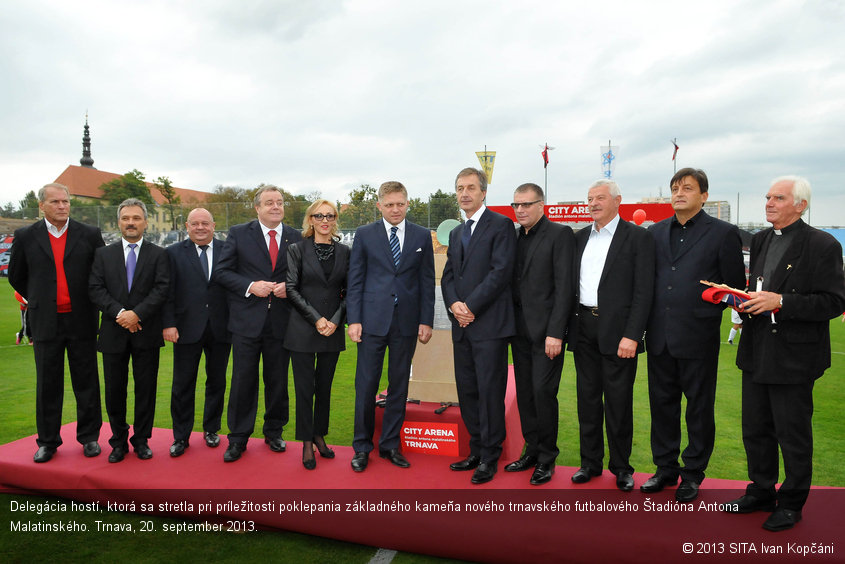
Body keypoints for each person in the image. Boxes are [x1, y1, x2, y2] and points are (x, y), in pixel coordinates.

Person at [725, 176, 845, 531]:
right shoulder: (761, 239)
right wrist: (743, 300)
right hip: (757, 350)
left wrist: (783, 302)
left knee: (791, 433)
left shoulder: (822, 245)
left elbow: (834, 302)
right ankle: (761, 491)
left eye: (778, 197)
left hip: (794, 357)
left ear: (800, 205)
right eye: (767, 197)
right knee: (755, 429)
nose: (769, 203)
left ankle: (792, 503)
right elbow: (759, 288)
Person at [643, 168, 745, 501]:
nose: (679, 193)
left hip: (697, 336)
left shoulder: (723, 234)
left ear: (704, 195)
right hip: (659, 335)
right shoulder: (655, 233)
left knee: (698, 408)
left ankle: (693, 473)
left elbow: (733, 288)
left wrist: (709, 309)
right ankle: (665, 468)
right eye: (675, 188)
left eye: (687, 188)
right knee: (662, 406)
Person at [568, 180, 654, 491]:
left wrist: (633, 335)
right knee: (587, 402)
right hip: (584, 329)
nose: (593, 203)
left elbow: (644, 291)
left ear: (617, 200)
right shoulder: (578, 239)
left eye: (600, 198)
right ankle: (589, 464)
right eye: (589, 198)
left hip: (619, 334)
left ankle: (621, 468)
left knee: (618, 403)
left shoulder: (637, 238)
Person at [8, 183, 104, 463]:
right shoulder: (26, 236)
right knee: (47, 384)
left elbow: (100, 273)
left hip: (82, 320)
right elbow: (17, 275)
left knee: (86, 381)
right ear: (42, 206)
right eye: (56, 202)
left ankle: (89, 438)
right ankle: (48, 441)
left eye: (66, 201)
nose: (62, 206)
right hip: (45, 321)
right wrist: (41, 298)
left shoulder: (88, 234)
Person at [347, 181, 435, 472]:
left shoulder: (422, 235)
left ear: (408, 203)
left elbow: (426, 282)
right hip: (371, 321)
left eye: (400, 204)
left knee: (398, 387)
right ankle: (361, 447)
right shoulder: (365, 234)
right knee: (366, 385)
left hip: (407, 323)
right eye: (390, 205)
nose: (395, 209)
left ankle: (390, 445)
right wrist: (355, 319)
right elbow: (356, 280)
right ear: (379, 206)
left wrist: (426, 320)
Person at [214, 185, 302, 462]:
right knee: (243, 382)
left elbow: (303, 277)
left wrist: (289, 288)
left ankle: (274, 431)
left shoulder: (296, 237)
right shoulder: (240, 233)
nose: (275, 207)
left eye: (279, 202)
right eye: (269, 203)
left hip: (281, 322)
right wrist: (251, 285)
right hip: (246, 323)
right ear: (257, 208)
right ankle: (238, 438)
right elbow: (222, 272)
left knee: (277, 382)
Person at [441, 167, 516, 485]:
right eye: (460, 188)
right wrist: (455, 304)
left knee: (489, 393)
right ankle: (475, 449)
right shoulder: (457, 233)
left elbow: (501, 272)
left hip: (490, 326)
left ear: (484, 192)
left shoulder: (501, 226)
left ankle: (490, 455)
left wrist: (470, 306)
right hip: (463, 327)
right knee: (468, 392)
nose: (464, 193)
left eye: (471, 187)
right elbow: (448, 276)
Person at [89, 198, 170, 462]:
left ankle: (141, 440)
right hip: (113, 334)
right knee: (114, 391)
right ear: (119, 222)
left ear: (145, 222)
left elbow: (161, 289)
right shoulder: (103, 254)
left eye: (136, 218)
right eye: (126, 218)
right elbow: (95, 289)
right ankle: (118, 442)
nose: (131, 223)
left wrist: (138, 313)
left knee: (145, 390)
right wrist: (122, 314)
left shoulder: (159, 254)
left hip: (146, 332)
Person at [505, 182, 574, 485]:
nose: (520, 210)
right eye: (516, 205)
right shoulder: (515, 237)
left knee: (544, 394)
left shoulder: (559, 235)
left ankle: (547, 458)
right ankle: (531, 449)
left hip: (547, 334)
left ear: (542, 205)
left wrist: (556, 333)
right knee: (526, 396)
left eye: (526, 204)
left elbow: (565, 288)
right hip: (517, 331)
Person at [162, 208, 231, 457]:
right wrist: (168, 324)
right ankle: (181, 436)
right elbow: (166, 292)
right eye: (195, 224)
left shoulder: (228, 250)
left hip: (221, 329)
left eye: (205, 223)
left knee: (217, 382)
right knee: (183, 384)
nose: (200, 228)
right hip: (185, 329)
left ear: (213, 225)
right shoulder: (172, 253)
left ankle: (212, 429)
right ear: (187, 226)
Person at [286, 200, 349, 470]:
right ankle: (307, 443)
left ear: (335, 220)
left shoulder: (346, 252)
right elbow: (291, 288)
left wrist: (334, 321)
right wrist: (317, 319)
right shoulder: (296, 249)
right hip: (303, 329)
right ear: (310, 219)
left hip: (332, 331)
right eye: (319, 215)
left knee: (324, 389)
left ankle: (320, 436)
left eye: (330, 215)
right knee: (304, 390)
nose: (325, 220)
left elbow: (350, 290)